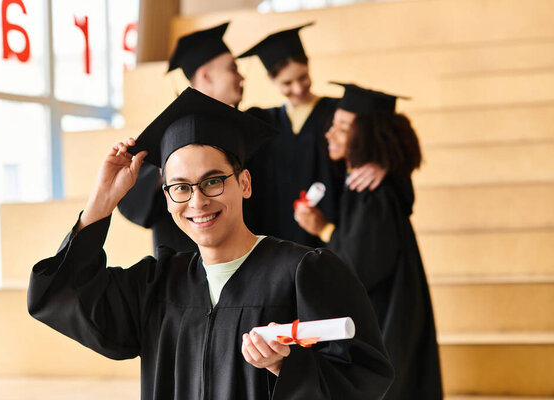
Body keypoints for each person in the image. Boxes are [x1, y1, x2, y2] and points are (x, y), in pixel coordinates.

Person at [28, 88, 394, 399]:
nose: (198, 201)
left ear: (245, 184)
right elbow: (59, 296)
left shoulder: (303, 273)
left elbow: (364, 377)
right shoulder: (156, 287)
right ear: (168, 197)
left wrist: (287, 366)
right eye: (181, 187)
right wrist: (102, 202)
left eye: (213, 181)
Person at [294, 83, 443, 399]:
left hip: (386, 321)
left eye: (344, 128)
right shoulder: (367, 179)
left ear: (369, 137)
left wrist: (323, 230)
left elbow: (358, 268)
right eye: (333, 124)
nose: (330, 133)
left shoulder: (372, 191)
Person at [238, 23, 386, 248]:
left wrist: (380, 163)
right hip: (277, 237)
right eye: (287, 83)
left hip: (331, 235)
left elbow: (383, 142)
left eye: (303, 77)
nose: (298, 88)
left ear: (308, 65)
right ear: (271, 80)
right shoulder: (263, 123)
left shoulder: (336, 113)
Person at [117, 22, 244, 254]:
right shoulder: (169, 133)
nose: (241, 76)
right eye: (232, 69)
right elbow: (132, 202)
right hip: (183, 269)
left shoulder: (244, 126)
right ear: (206, 76)